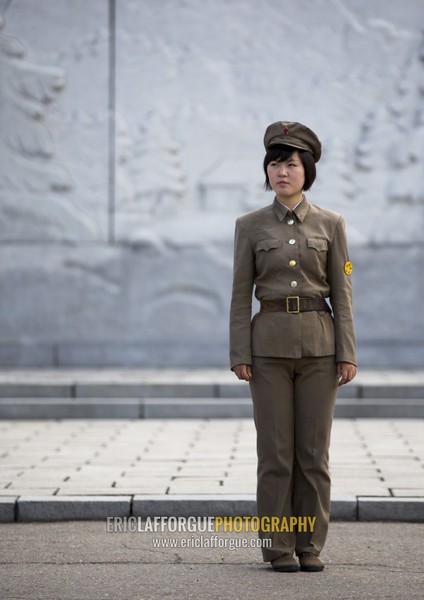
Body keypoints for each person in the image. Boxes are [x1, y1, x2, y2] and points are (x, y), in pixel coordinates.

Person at [229, 121, 357, 573]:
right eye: (275, 163)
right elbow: (240, 293)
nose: (281, 171)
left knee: (313, 454)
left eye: (291, 163)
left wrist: (347, 351)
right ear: (267, 171)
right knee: (276, 454)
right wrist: (240, 353)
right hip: (267, 351)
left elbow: (341, 291)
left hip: (321, 350)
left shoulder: (331, 224)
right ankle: (279, 546)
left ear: (307, 171)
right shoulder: (249, 226)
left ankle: (310, 545)